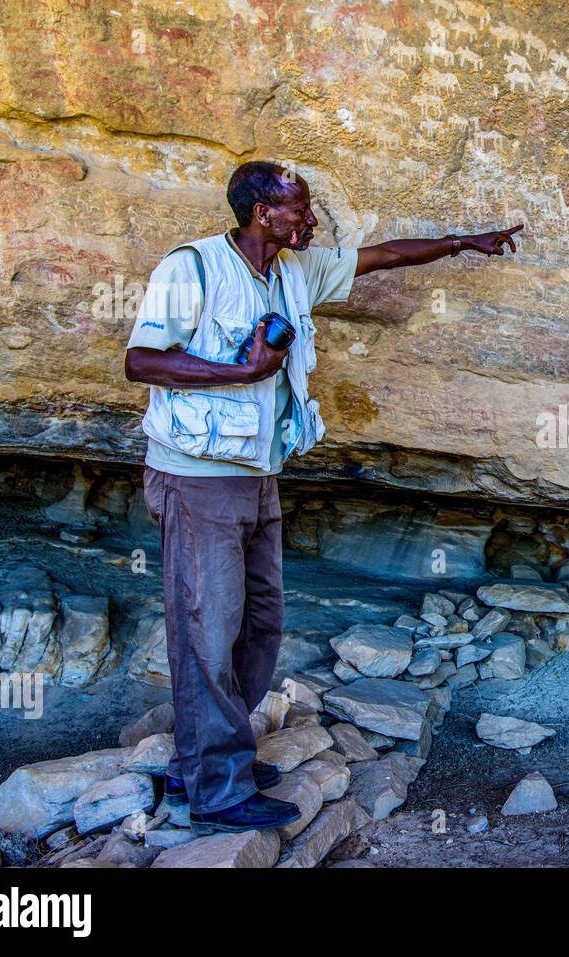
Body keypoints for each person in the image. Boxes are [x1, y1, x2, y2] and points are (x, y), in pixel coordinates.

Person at [124, 160, 521, 834]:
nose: (310, 221)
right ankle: (214, 788)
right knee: (207, 631)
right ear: (259, 211)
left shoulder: (293, 271)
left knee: (258, 627)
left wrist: (463, 241)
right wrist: (238, 370)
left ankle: (206, 762)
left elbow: (383, 257)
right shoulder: (191, 269)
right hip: (196, 478)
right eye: (298, 209)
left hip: (255, 475)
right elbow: (141, 360)